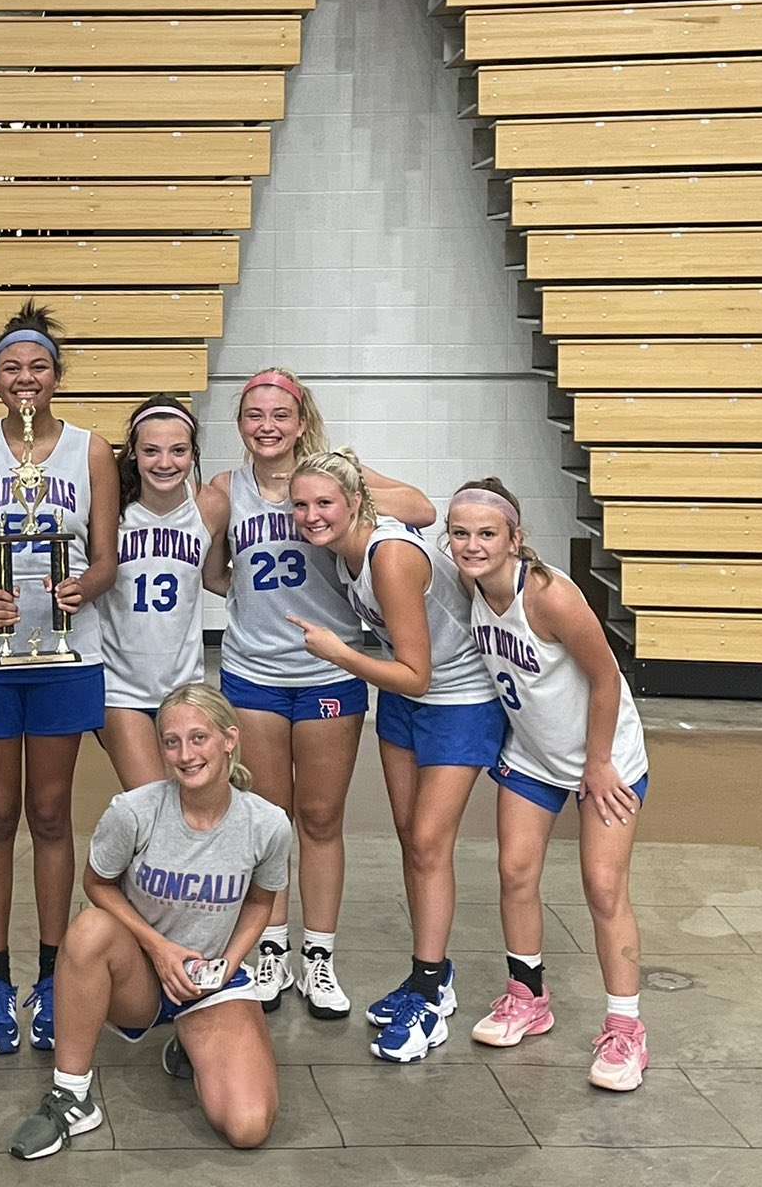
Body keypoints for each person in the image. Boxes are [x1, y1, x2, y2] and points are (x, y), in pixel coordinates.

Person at [200, 368, 434, 1018]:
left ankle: (320, 957)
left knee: (322, 818)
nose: (267, 426)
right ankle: (272, 948)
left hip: (330, 672)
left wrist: (349, 489)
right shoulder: (225, 489)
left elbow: (422, 507)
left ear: (301, 422)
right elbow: (213, 571)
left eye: (280, 414)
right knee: (269, 820)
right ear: (239, 424)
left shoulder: (329, 477)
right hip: (253, 671)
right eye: (254, 415)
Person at [286, 450, 506, 1063]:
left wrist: (338, 653)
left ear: (355, 502)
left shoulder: (389, 555)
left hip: (458, 698)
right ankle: (429, 974)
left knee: (430, 844)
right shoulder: (347, 551)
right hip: (407, 702)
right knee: (412, 840)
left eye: (324, 502)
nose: (311, 515)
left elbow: (416, 673)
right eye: (300, 505)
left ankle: (430, 995)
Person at [7, 683, 290, 1161]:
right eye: (171, 742)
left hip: (210, 980)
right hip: (139, 972)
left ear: (229, 739)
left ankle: (191, 1045)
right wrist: (159, 949)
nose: (185, 754)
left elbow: (261, 903)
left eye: (199, 738)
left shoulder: (267, 824)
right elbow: (96, 884)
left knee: (248, 1127)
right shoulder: (134, 811)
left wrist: (227, 963)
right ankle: (70, 1096)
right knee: (89, 930)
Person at [0, 301, 118, 1055]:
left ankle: (50, 977)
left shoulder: (92, 451)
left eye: (38, 365)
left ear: (56, 376)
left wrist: (85, 587)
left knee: (49, 813)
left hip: (65, 655)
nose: (25, 377)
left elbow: (106, 556)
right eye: (11, 366)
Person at [447, 477, 652, 1092]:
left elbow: (607, 678)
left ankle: (626, 1030)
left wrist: (598, 763)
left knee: (603, 888)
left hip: (604, 758)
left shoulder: (549, 596)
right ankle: (528, 997)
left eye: (487, 534)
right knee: (514, 871)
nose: (473, 545)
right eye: (460, 533)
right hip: (534, 754)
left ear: (515, 538)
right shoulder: (471, 583)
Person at [97, 395, 221, 789]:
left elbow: (216, 578)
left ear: (193, 453)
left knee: (188, 800)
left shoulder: (211, 505)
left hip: (186, 685)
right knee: (152, 800)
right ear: (133, 452)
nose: (165, 463)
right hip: (120, 686)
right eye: (151, 450)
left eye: (178, 451)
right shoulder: (108, 506)